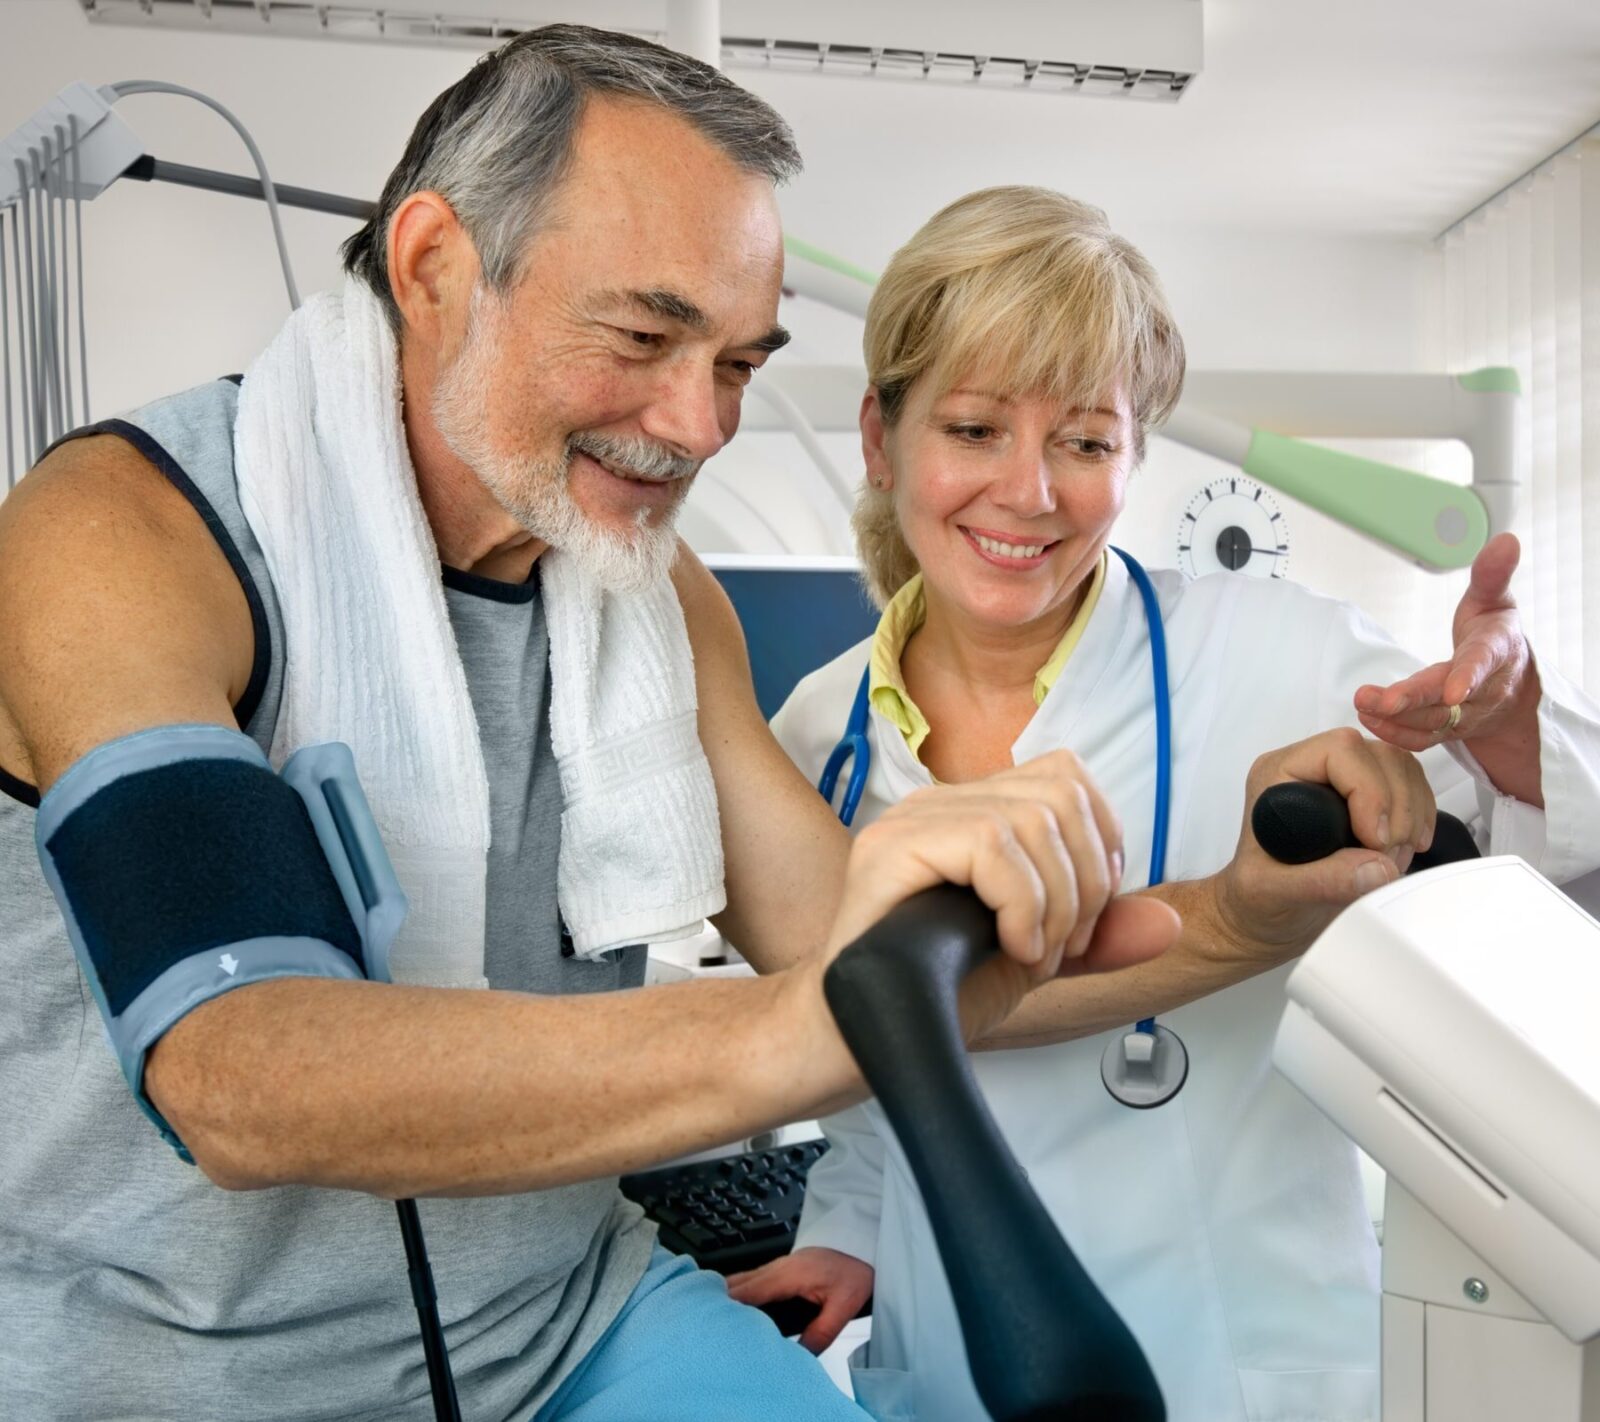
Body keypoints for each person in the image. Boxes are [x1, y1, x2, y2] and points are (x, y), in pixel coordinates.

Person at [0, 36, 1181, 1422]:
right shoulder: (126, 533)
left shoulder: (654, 590)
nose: (696, 425)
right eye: (642, 337)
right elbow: (234, 1070)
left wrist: (1255, 912)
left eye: (737, 361)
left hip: (563, 1319)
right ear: (436, 265)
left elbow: (833, 943)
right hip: (174, 1370)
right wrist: (791, 1030)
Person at [727, 186, 1600, 1422]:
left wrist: (1507, 725)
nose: (1028, 493)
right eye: (974, 429)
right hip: (960, 1362)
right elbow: (880, 1067)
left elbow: (1555, 862)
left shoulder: (1277, 655)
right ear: (881, 437)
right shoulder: (820, 732)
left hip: (1243, 1357)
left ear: (1134, 456)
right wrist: (851, 1230)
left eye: (1083, 442)